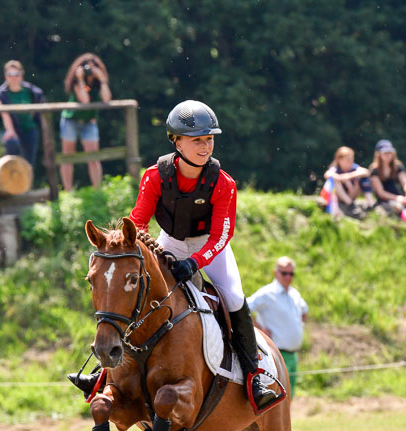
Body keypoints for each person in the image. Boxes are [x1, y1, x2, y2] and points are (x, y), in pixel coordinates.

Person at [73, 100, 277, 411]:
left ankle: (254, 377)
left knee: (235, 298)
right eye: (197, 140)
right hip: (169, 242)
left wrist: (194, 263)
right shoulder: (155, 176)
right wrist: (127, 245)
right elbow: (138, 220)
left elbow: (222, 234)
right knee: (138, 294)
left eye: (209, 139)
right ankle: (104, 373)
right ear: (176, 141)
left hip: (211, 247)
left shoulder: (224, 183)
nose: (205, 146)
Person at [247, 257, 308, 404]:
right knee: (279, 397)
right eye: (284, 273)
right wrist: (260, 329)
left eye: (291, 274)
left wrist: (299, 326)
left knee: (289, 395)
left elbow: (305, 311)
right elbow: (245, 308)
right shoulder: (267, 293)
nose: (288, 277)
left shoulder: (294, 293)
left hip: (293, 355)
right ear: (276, 273)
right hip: (277, 353)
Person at [60, 53, 111, 190]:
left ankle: (97, 190)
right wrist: (81, 79)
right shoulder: (76, 82)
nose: (90, 70)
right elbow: (84, 99)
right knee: (68, 157)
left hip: (89, 122)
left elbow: (106, 98)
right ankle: (68, 191)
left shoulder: (97, 83)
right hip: (71, 120)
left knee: (93, 157)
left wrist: (102, 80)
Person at [0, 60, 45, 167]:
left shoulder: (32, 92)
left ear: (22, 75)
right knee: (12, 147)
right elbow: (5, 114)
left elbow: (37, 107)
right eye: (10, 74)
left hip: (29, 128)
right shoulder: (1, 95)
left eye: (16, 74)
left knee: (29, 162)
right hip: (10, 130)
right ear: (5, 76)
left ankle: (28, 183)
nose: (13, 77)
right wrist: (11, 131)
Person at [369, 139, 406, 227]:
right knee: (397, 207)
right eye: (385, 153)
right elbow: (381, 193)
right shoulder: (374, 170)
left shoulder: (397, 166)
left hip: (400, 197)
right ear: (379, 154)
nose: (388, 155)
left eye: (390, 152)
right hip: (385, 200)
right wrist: (397, 198)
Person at [323, 146, 374, 219]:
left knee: (364, 178)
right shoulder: (335, 169)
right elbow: (327, 175)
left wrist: (348, 176)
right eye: (347, 159)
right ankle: (350, 204)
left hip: (352, 193)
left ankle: (370, 203)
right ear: (340, 160)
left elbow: (366, 172)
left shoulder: (354, 167)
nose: (350, 161)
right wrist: (342, 178)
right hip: (341, 197)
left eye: (352, 159)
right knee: (334, 180)